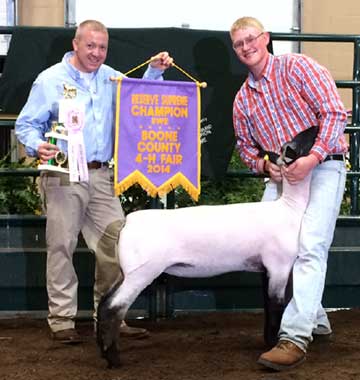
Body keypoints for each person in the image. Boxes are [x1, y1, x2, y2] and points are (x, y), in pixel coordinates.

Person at [15, 19, 173, 344]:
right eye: (90, 46)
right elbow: (26, 123)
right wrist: (36, 144)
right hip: (62, 173)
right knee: (62, 245)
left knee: (116, 245)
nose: (96, 53)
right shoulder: (50, 80)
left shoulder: (113, 78)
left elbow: (137, 99)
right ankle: (62, 321)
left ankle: (110, 316)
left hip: (101, 174)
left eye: (102, 47)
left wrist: (155, 72)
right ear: (75, 44)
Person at [230, 16, 347, 371]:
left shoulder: (298, 67)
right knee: (276, 249)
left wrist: (313, 157)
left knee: (310, 244)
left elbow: (333, 112)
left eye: (251, 39)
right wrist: (267, 167)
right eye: (239, 44)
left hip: (324, 164)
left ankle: (294, 337)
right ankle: (316, 317)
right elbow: (246, 148)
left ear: (265, 38)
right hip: (283, 177)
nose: (247, 47)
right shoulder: (242, 100)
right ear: (235, 51)